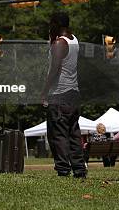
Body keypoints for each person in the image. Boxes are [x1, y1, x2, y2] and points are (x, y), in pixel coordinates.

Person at [41, 12, 86, 178]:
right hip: (73, 93)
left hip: (59, 94)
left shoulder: (60, 43)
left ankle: (63, 169)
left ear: (56, 25)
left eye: (51, 23)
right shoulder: (74, 39)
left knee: (58, 134)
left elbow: (55, 69)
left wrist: (44, 92)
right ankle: (80, 169)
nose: (49, 26)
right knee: (74, 133)